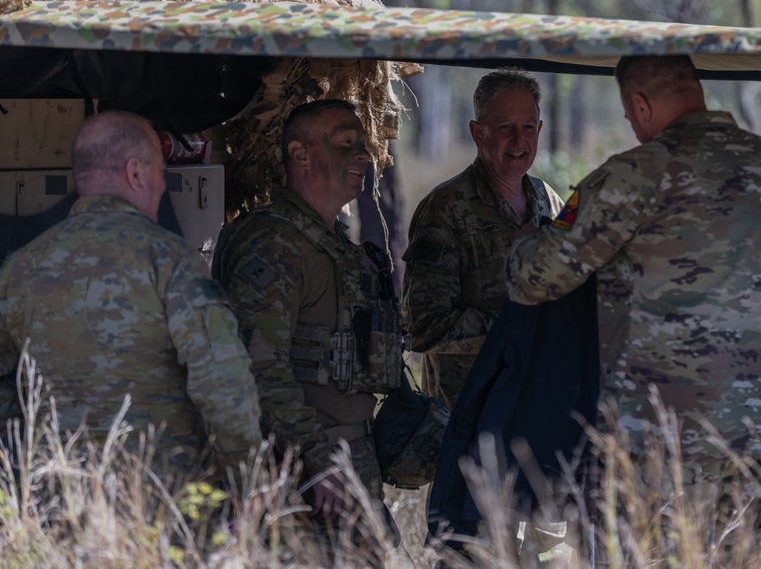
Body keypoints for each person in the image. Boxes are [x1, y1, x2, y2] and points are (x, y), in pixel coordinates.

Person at [505, 55, 761, 562]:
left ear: (641, 105)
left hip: (666, 432)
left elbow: (537, 277)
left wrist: (523, 241)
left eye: (630, 117)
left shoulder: (637, 173)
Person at [0, 111, 262, 479]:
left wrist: (24, 451)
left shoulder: (20, 269)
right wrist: (244, 477)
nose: (162, 184)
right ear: (135, 172)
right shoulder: (172, 262)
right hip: (159, 497)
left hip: (59, 498)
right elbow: (222, 379)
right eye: (160, 171)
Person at [214, 99, 402, 532]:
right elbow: (259, 368)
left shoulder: (330, 243)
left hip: (345, 460)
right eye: (344, 144)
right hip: (305, 472)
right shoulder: (276, 245)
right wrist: (317, 462)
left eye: (363, 145)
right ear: (300, 155)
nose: (363, 155)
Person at [402, 67, 563, 409]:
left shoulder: (547, 200)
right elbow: (423, 326)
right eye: (505, 127)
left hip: (537, 408)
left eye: (528, 127)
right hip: (468, 418)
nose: (519, 141)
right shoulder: (445, 209)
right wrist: (518, 324)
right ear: (478, 133)